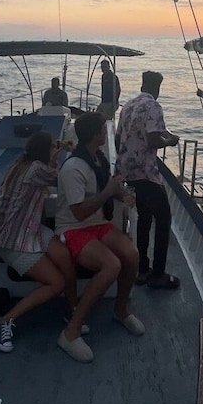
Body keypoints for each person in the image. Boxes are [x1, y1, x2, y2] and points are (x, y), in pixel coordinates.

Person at [55, 112, 143, 362]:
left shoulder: (98, 159)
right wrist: (108, 192)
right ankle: (70, 332)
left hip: (97, 224)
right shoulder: (73, 168)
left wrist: (121, 194)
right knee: (111, 265)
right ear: (96, 136)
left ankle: (121, 309)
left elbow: (106, 192)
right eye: (103, 132)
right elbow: (80, 212)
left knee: (131, 254)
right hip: (73, 228)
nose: (106, 135)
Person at [0, 131, 79, 353]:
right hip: (14, 239)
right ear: (45, 151)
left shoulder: (21, 164)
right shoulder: (37, 169)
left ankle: (72, 310)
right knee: (56, 283)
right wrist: (63, 155)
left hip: (31, 229)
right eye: (52, 147)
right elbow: (63, 179)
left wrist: (54, 154)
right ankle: (3, 322)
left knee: (64, 256)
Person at [115, 71, 181, 290]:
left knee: (144, 219)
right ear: (157, 88)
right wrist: (170, 143)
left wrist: (166, 134)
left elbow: (118, 138)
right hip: (146, 174)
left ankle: (142, 270)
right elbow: (153, 139)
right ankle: (159, 274)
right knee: (163, 219)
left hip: (127, 173)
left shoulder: (128, 105)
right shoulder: (154, 106)